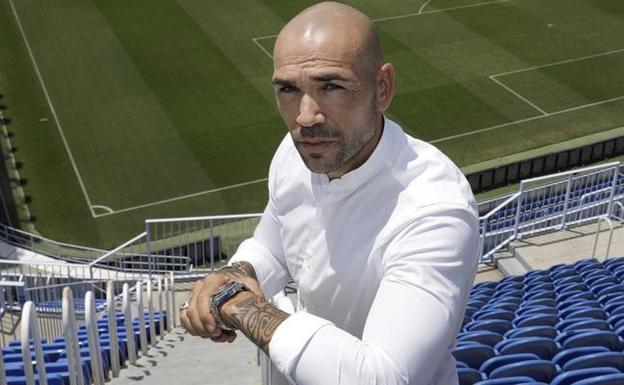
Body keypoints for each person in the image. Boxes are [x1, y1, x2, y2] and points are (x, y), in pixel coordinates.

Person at [180, 2, 480, 384]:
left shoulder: (434, 211)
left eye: (331, 86)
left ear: (382, 88)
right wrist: (236, 273)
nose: (306, 116)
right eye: (288, 89)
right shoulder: (296, 153)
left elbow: (381, 377)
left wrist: (239, 303)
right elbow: (272, 244)